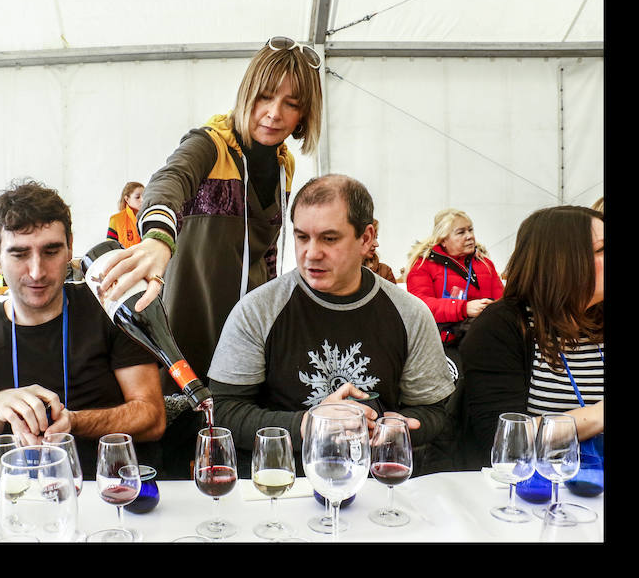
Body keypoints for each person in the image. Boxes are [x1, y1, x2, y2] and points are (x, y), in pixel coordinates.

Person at [95, 38, 323, 478]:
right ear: (246, 94)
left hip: (246, 337)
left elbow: (267, 254)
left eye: (291, 103)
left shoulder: (284, 164)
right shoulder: (209, 144)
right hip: (188, 329)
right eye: (263, 97)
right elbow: (168, 182)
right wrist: (159, 239)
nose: (274, 112)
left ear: (303, 114)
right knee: (181, 457)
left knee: (237, 455)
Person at [207, 175, 455, 476]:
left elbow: (432, 411)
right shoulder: (258, 311)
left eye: (329, 238)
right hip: (282, 486)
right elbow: (222, 411)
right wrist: (309, 424)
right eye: (301, 237)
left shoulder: (410, 314)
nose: (311, 253)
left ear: (366, 238)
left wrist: (392, 428)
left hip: (373, 486)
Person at [0, 180, 166, 479]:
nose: (37, 271)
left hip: (105, 491)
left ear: (70, 246)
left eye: (51, 251)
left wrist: (74, 421)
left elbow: (152, 418)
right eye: (19, 254)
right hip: (14, 500)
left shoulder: (109, 310)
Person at [461, 206, 603, 468]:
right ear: (561, 261)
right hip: (532, 493)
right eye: (600, 250)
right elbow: (502, 439)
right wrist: (596, 416)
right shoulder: (502, 326)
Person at [404, 208, 505, 346]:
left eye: (470, 230)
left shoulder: (485, 263)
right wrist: (463, 308)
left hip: (486, 338)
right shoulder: (422, 265)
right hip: (442, 343)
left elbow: (503, 300)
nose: (469, 236)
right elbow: (421, 306)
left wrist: (492, 307)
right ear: (443, 240)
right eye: (461, 232)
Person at [106, 182, 144, 248]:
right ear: (127, 199)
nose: (142, 200)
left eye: (144, 196)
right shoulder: (116, 220)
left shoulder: (150, 217)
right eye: (137, 197)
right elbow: (110, 248)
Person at [363, 219, 397, 283]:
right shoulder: (342, 273)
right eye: (369, 238)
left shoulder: (385, 271)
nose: (376, 244)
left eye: (376, 238)